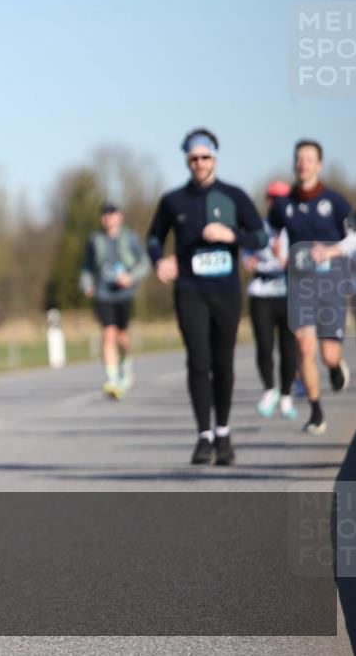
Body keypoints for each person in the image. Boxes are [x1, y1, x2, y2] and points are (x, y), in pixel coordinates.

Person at [146, 128, 267, 466]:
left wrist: (232, 235)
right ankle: (203, 436)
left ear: (214, 157)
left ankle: (224, 433)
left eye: (205, 157)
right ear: (187, 160)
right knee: (198, 361)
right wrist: (160, 260)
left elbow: (260, 237)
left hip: (225, 292)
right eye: (193, 158)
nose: (199, 163)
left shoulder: (234, 196)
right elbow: (154, 238)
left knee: (222, 363)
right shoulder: (173, 201)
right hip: (190, 290)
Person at [268, 139, 355, 435]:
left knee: (328, 354)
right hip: (300, 284)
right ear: (295, 164)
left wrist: (332, 252)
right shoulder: (283, 204)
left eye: (309, 158)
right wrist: (273, 252)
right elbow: (268, 234)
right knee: (305, 348)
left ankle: (334, 366)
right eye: (299, 158)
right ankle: (316, 412)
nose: (303, 163)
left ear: (319, 164)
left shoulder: (335, 201)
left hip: (331, 283)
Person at [80, 202, 149, 398]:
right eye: (104, 214)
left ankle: (126, 364)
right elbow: (87, 266)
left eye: (112, 214)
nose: (108, 218)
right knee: (108, 334)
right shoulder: (95, 240)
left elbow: (144, 262)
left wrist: (131, 277)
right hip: (103, 293)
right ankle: (112, 379)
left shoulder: (130, 238)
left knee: (122, 336)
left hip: (124, 294)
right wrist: (87, 284)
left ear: (120, 217)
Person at [242, 181, 297, 419]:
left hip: (288, 292)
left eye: (282, 199)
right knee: (264, 345)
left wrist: (283, 257)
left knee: (288, 347)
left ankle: (286, 394)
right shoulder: (258, 227)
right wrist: (250, 261)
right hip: (262, 293)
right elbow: (247, 254)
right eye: (273, 198)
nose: (277, 203)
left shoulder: (296, 228)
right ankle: (269, 389)